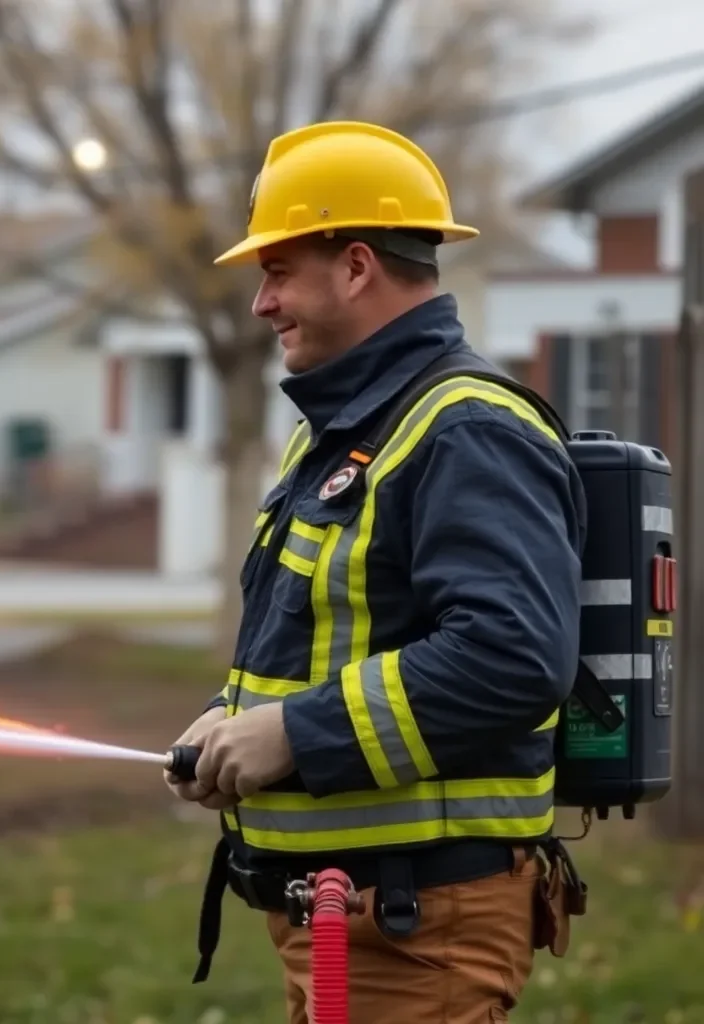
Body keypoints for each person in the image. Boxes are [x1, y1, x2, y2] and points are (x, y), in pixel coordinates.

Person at [164, 120, 587, 1023]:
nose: (260, 304)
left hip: (414, 927)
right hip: (347, 915)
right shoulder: (342, 435)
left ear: (356, 266)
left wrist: (295, 736)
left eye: (277, 272)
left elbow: (512, 656)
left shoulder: (464, 427)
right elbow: (332, 630)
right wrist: (236, 722)